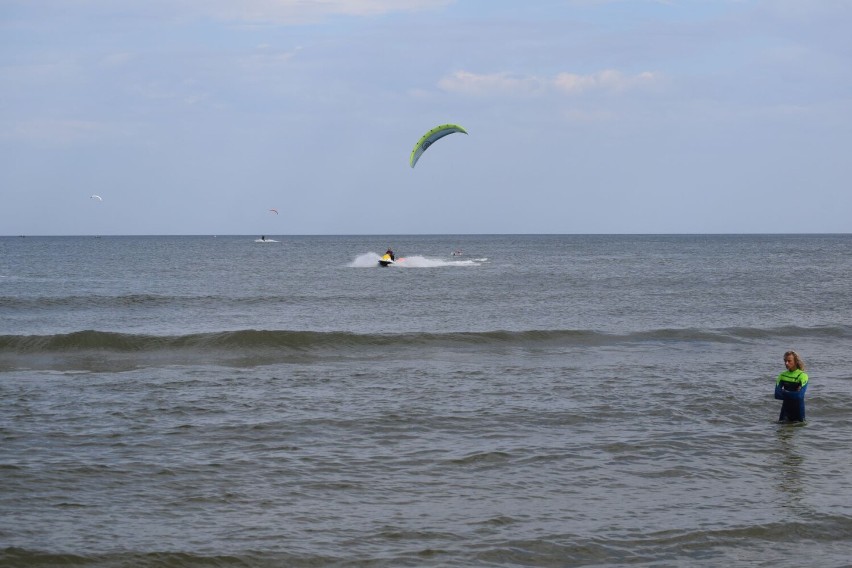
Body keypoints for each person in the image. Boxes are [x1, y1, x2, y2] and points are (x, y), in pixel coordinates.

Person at [775, 350, 808, 422]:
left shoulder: (802, 376)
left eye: (789, 361)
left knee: (799, 431)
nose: (786, 363)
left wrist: (784, 391)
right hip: (785, 412)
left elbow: (799, 396)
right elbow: (777, 395)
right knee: (780, 432)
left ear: (796, 361)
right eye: (785, 361)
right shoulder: (782, 375)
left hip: (798, 412)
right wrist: (794, 393)